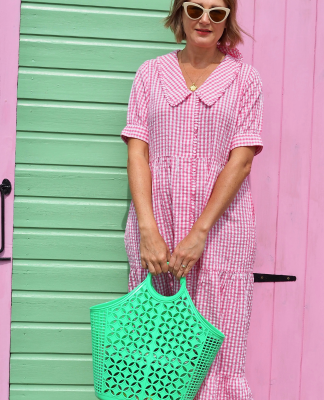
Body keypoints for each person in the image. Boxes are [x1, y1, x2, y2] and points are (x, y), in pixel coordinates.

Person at [120, 0, 264, 398]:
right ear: (180, 13)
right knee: (155, 345)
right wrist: (147, 230)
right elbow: (137, 153)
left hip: (220, 230)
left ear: (227, 21)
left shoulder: (245, 80)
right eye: (196, 8)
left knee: (218, 343)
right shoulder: (150, 74)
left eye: (217, 13)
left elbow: (241, 161)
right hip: (158, 224)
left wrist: (199, 233)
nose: (205, 19)